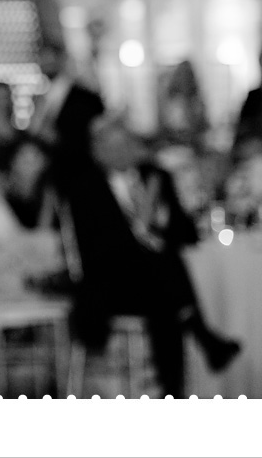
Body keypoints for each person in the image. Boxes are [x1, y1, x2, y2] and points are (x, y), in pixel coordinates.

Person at [65, 113, 240, 397]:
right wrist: (140, 235)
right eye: (111, 146)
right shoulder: (85, 188)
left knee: (163, 294)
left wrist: (159, 222)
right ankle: (200, 340)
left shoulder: (156, 178)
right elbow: (94, 251)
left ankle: (173, 389)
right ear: (97, 151)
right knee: (164, 273)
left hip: (153, 286)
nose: (120, 151)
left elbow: (185, 234)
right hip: (112, 283)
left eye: (124, 144)